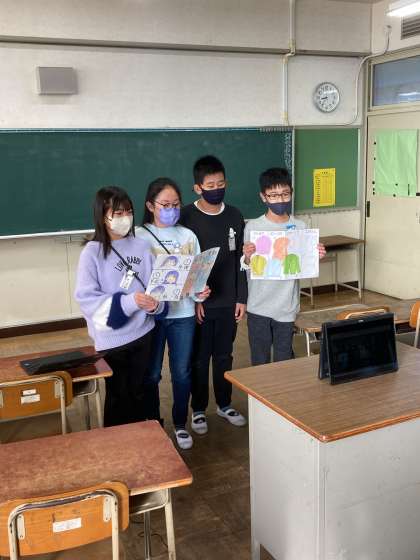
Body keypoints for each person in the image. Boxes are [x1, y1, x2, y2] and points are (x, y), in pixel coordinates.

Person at [74, 186, 165, 427]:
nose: (125, 217)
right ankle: (118, 443)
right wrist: (130, 301)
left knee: (140, 391)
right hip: (112, 340)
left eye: (129, 212)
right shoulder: (91, 253)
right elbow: (86, 298)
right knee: (118, 397)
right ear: (103, 216)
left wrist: (154, 305)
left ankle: (143, 438)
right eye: (118, 213)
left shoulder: (141, 246)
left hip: (143, 333)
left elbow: (156, 287)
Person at [136, 177, 210, 450]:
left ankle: (180, 423)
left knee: (181, 372)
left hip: (183, 315)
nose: (171, 209)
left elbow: (197, 278)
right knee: (152, 373)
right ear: (150, 206)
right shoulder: (138, 236)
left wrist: (200, 293)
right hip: (151, 317)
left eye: (176, 204)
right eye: (165, 205)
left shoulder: (188, 236)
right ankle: (153, 422)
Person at [179, 155, 247, 435]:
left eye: (221, 184)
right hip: (201, 303)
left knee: (224, 356)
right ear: (197, 188)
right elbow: (184, 262)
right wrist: (193, 299)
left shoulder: (234, 215)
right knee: (199, 358)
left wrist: (241, 298)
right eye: (210, 185)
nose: (217, 189)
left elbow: (242, 260)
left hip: (229, 301)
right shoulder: (185, 217)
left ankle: (224, 404)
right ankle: (198, 409)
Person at [242, 167, 326, 365]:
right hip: (258, 305)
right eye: (273, 195)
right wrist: (247, 256)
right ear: (263, 197)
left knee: (284, 360)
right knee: (260, 361)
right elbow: (247, 265)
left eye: (285, 194)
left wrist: (316, 256)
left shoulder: (300, 227)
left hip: (287, 306)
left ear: (291, 193)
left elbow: (304, 263)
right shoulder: (253, 227)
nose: (280, 200)